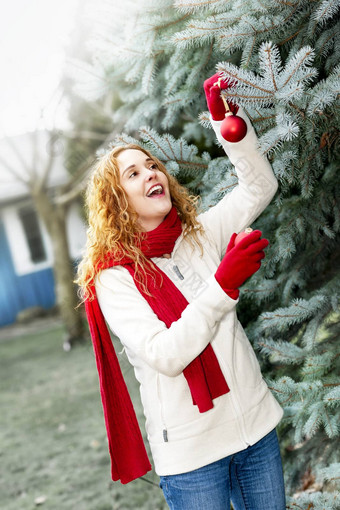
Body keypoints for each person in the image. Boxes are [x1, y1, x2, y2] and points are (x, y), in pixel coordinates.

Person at [76, 73, 286, 510]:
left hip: (256, 429)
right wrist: (222, 285)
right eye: (133, 173)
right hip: (193, 458)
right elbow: (167, 354)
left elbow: (260, 188)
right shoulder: (115, 276)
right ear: (116, 202)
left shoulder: (200, 235)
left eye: (152, 165)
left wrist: (230, 124)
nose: (151, 173)